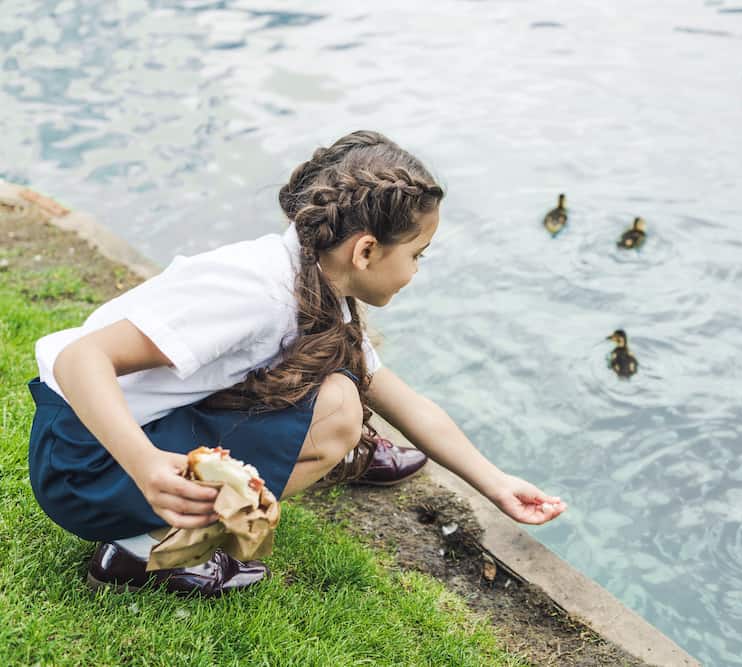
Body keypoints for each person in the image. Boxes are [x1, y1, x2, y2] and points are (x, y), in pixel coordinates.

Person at [26, 130, 567, 596]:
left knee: (345, 384)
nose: (417, 270)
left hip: (97, 442)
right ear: (366, 251)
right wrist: (145, 464)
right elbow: (81, 359)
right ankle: (144, 553)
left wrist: (496, 484)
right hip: (81, 465)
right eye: (417, 255)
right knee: (336, 413)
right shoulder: (256, 291)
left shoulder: (311, 275)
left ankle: (158, 530)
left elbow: (401, 398)